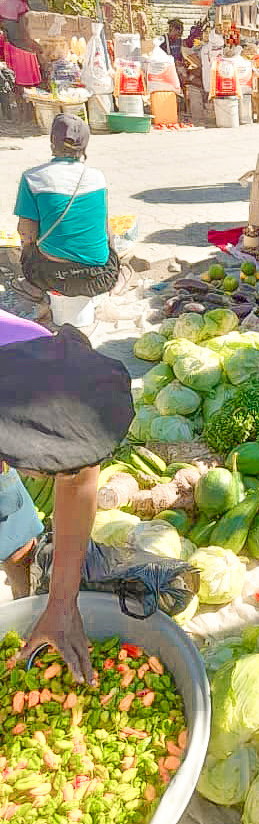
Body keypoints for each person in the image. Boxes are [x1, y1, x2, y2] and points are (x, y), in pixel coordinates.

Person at [0, 308, 133, 683]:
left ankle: (27, 608)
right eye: (49, 471)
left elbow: (79, 477)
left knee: (14, 535)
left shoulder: (57, 365)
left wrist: (61, 602)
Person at [13, 114, 120, 302]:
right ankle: (119, 281)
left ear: (52, 141)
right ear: (85, 145)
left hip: (50, 278)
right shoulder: (97, 178)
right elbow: (105, 229)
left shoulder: (33, 178)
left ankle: (35, 290)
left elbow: (26, 234)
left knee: (29, 248)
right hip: (100, 279)